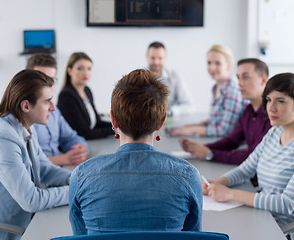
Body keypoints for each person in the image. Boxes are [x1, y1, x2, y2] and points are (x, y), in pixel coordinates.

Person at [69, 69, 203, 235]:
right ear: (161, 122)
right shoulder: (189, 176)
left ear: (113, 119)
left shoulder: (81, 177)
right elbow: (192, 236)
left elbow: (81, 236)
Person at [202, 73, 294, 240]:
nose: (271, 108)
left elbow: (286, 203)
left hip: (279, 230)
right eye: (269, 100)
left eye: (281, 101)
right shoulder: (274, 131)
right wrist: (218, 183)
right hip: (257, 215)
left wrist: (230, 194)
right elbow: (246, 169)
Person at [0, 70, 70, 240]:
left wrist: (78, 179)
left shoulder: (25, 126)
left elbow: (45, 168)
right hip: (12, 231)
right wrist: (74, 190)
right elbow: (31, 200)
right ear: (26, 106)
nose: (53, 107)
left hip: (31, 222)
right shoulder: (3, 139)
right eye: (47, 102)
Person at [179, 58, 271, 164]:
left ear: (264, 80)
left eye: (245, 77)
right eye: (238, 78)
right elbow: (232, 141)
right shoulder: (248, 111)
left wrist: (210, 154)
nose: (240, 83)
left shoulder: (273, 115)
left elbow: (252, 156)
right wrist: (199, 148)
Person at [26, 53, 88, 166]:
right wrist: (63, 159)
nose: (48, 85)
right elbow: (23, 162)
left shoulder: (54, 112)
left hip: (58, 171)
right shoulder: (23, 114)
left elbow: (71, 137)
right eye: (42, 79)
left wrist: (81, 148)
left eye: (51, 80)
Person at [168, 45, 244, 137]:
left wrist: (192, 130)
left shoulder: (232, 89)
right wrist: (192, 126)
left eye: (217, 63)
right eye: (209, 63)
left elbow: (225, 130)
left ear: (228, 65)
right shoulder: (216, 87)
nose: (212, 67)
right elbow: (216, 120)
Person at [57, 52, 113, 139]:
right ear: (69, 71)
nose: (85, 73)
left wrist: (118, 126)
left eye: (89, 68)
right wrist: (114, 130)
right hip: (78, 144)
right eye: (80, 68)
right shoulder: (66, 96)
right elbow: (84, 133)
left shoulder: (87, 91)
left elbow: (96, 122)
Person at [146, 41, 194, 116]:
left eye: (160, 58)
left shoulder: (175, 76)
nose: (156, 62)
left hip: (168, 120)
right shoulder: (138, 76)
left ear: (165, 58)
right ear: (147, 56)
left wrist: (170, 111)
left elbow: (189, 106)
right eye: (153, 58)